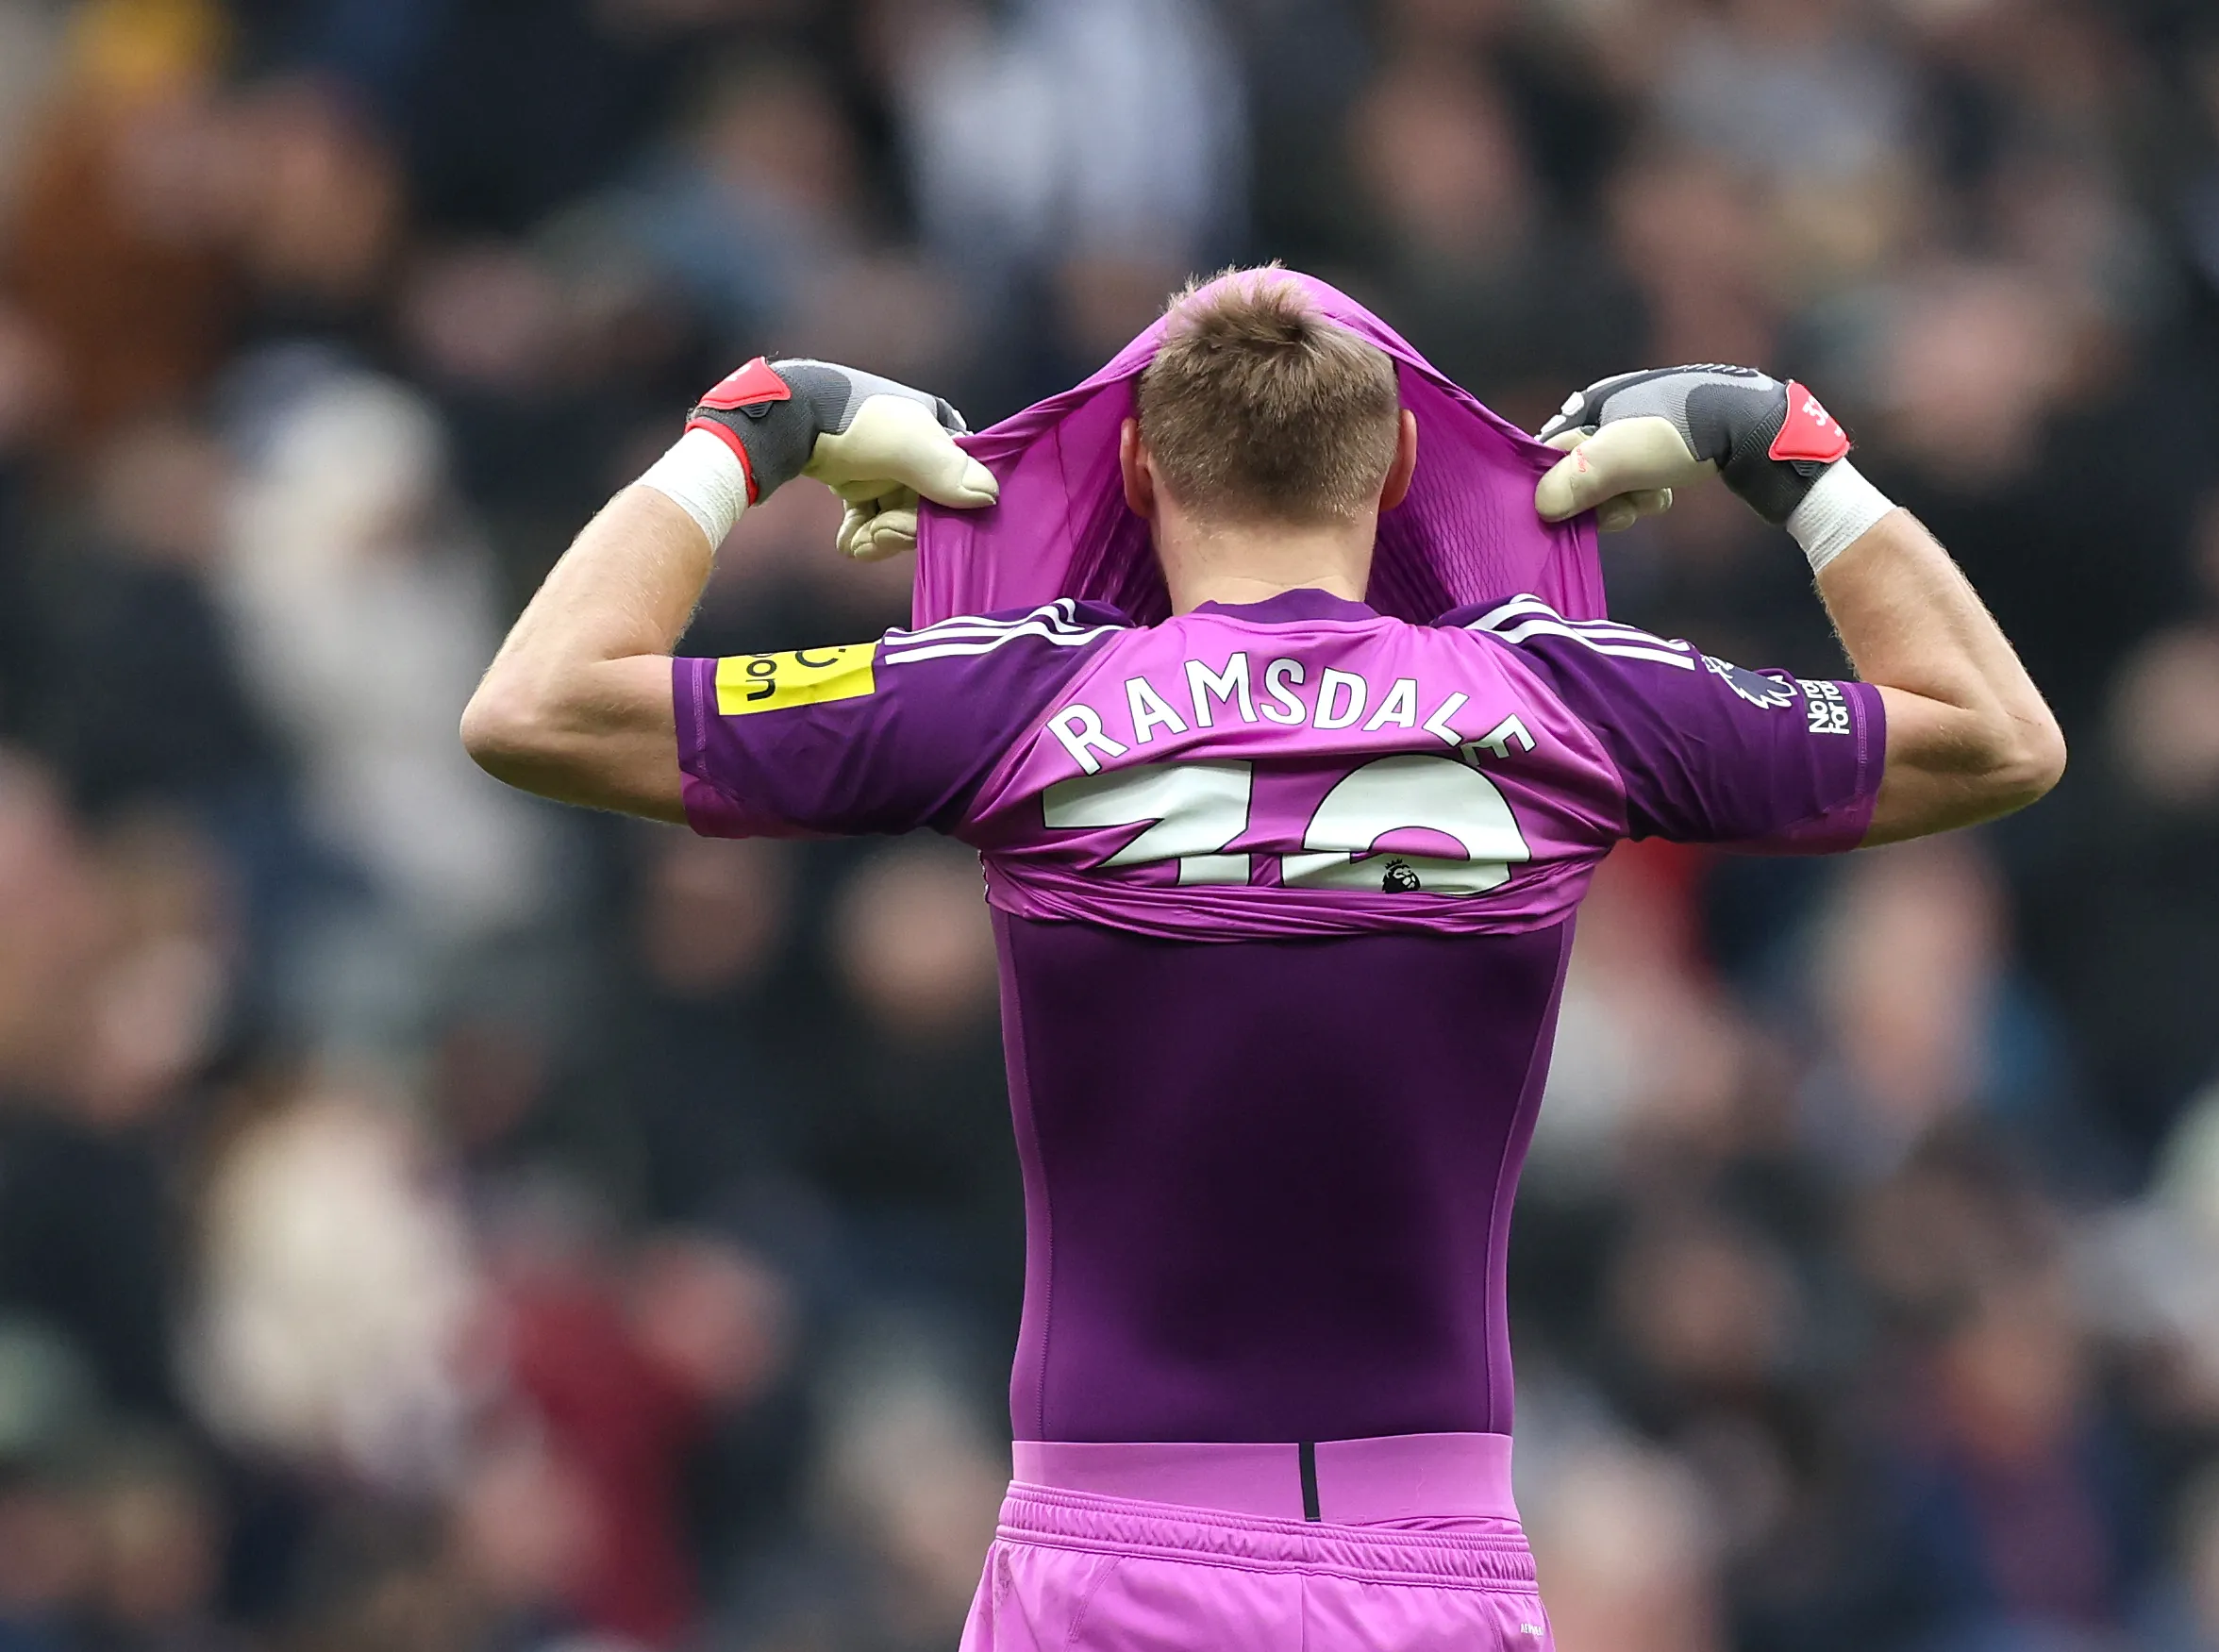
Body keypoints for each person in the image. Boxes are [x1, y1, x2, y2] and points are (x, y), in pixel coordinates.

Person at [459, 268, 2064, 1650]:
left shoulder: (1013, 696)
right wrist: (1780, 446)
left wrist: (760, 424)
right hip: (1430, 1568)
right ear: (1403, 471)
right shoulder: (1573, 697)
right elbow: (1996, 740)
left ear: (1141, 477)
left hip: (1103, 1558)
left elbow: (532, 708)